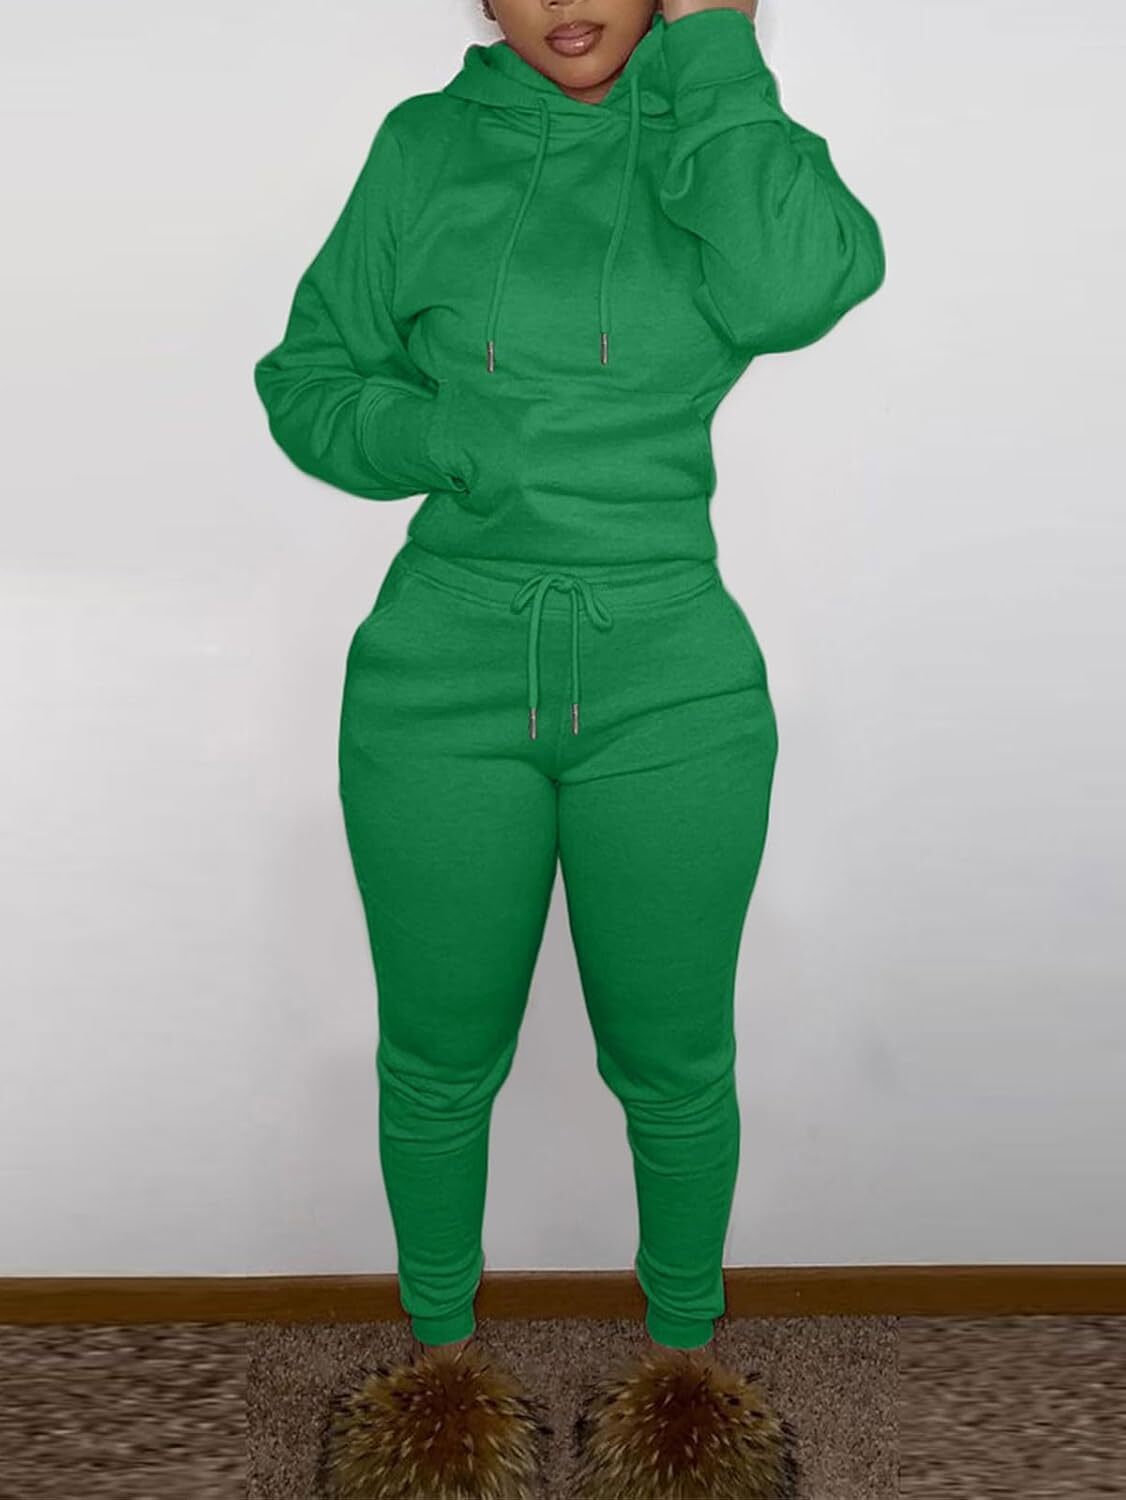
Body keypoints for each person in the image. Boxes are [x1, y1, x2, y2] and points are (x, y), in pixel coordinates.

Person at [254, 1, 885, 1495]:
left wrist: (718, 51)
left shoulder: (713, 135)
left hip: (672, 677)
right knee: (435, 1054)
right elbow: (306, 378)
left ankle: (684, 1387)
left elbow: (799, 287)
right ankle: (439, 1382)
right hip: (439, 673)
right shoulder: (424, 145)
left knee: (672, 1059)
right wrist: (437, 443)